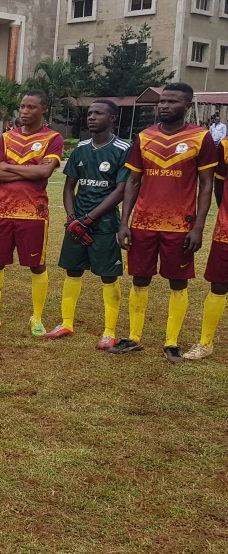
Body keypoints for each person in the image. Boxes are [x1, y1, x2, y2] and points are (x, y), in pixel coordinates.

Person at [112, 83, 217, 361]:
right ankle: (133, 337)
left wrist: (198, 227)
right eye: (162, 101)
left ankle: (171, 342)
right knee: (139, 278)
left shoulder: (201, 137)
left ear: (187, 105)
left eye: (172, 102)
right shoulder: (144, 136)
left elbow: (206, 185)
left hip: (180, 226)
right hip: (143, 223)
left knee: (178, 282)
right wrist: (124, 222)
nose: (165, 106)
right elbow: (133, 181)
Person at [0, 91, 63, 335]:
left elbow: (43, 173)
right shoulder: (6, 138)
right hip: (1, 211)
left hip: (33, 213)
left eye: (31, 107)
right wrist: (28, 170)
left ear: (43, 109)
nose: (24, 111)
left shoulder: (53, 138)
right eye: (22, 106)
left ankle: (37, 318)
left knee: (36, 265)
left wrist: (8, 166)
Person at [42, 100, 130, 347]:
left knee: (108, 275)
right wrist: (72, 218)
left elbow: (121, 190)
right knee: (72, 270)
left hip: (104, 223)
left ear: (112, 118)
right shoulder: (81, 149)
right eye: (90, 113)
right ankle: (66, 323)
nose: (91, 117)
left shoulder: (123, 148)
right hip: (77, 223)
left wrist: (90, 218)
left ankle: (109, 331)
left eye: (98, 113)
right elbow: (69, 187)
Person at [183, 134, 228, 359]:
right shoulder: (226, 145)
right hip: (226, 231)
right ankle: (205, 342)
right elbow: (219, 184)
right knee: (219, 285)